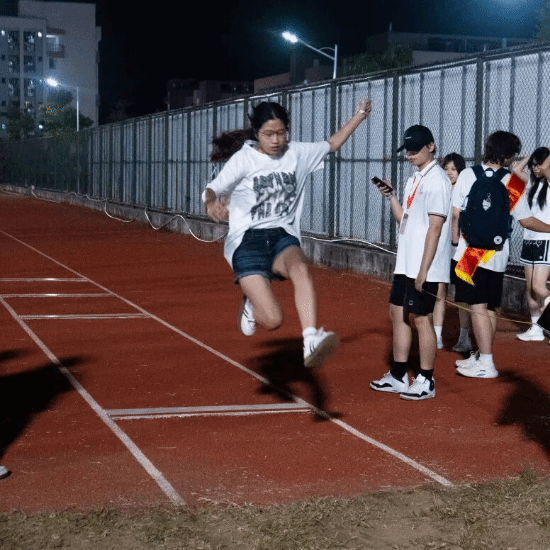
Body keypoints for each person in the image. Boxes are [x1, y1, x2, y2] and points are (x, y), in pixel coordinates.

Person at [203, 99, 372, 367]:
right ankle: (251, 304)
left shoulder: (297, 153)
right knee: (273, 321)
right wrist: (212, 203)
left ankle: (310, 339)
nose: (276, 140)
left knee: (301, 268)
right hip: (247, 241)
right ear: (256, 133)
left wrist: (360, 115)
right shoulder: (244, 159)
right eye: (268, 134)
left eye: (281, 133)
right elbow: (213, 188)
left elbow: (332, 144)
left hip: (282, 234)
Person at [452, 132, 550, 379]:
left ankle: (486, 362)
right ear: (508, 155)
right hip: (496, 253)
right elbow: (526, 220)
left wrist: (456, 244)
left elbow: (456, 213)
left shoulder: (467, 175)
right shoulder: (512, 181)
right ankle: (481, 355)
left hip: (470, 251)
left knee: (476, 306)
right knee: (489, 307)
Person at [370, 125, 452, 400]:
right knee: (398, 313)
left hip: (423, 265)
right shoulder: (414, 179)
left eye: (415, 149)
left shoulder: (437, 180)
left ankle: (426, 380)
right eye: (407, 150)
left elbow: (435, 228)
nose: (410, 155)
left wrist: (424, 270)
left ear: (431, 147)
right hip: (405, 262)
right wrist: (391, 196)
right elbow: (403, 219)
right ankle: (398, 375)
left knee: (421, 318)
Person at [432, 153, 473, 352]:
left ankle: (464, 337)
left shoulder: (467, 190)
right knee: (440, 291)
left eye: (453, 169)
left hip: (463, 250)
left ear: (461, 171)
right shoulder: (440, 189)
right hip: (442, 248)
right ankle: (437, 336)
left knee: (463, 296)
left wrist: (457, 242)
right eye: (446, 169)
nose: (449, 173)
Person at [512, 147, 550, 343]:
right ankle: (536, 328)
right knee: (530, 288)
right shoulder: (532, 184)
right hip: (529, 239)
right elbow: (516, 169)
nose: (535, 168)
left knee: (538, 286)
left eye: (539, 164)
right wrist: (533, 156)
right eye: (533, 165)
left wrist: (547, 158)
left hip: (546, 240)